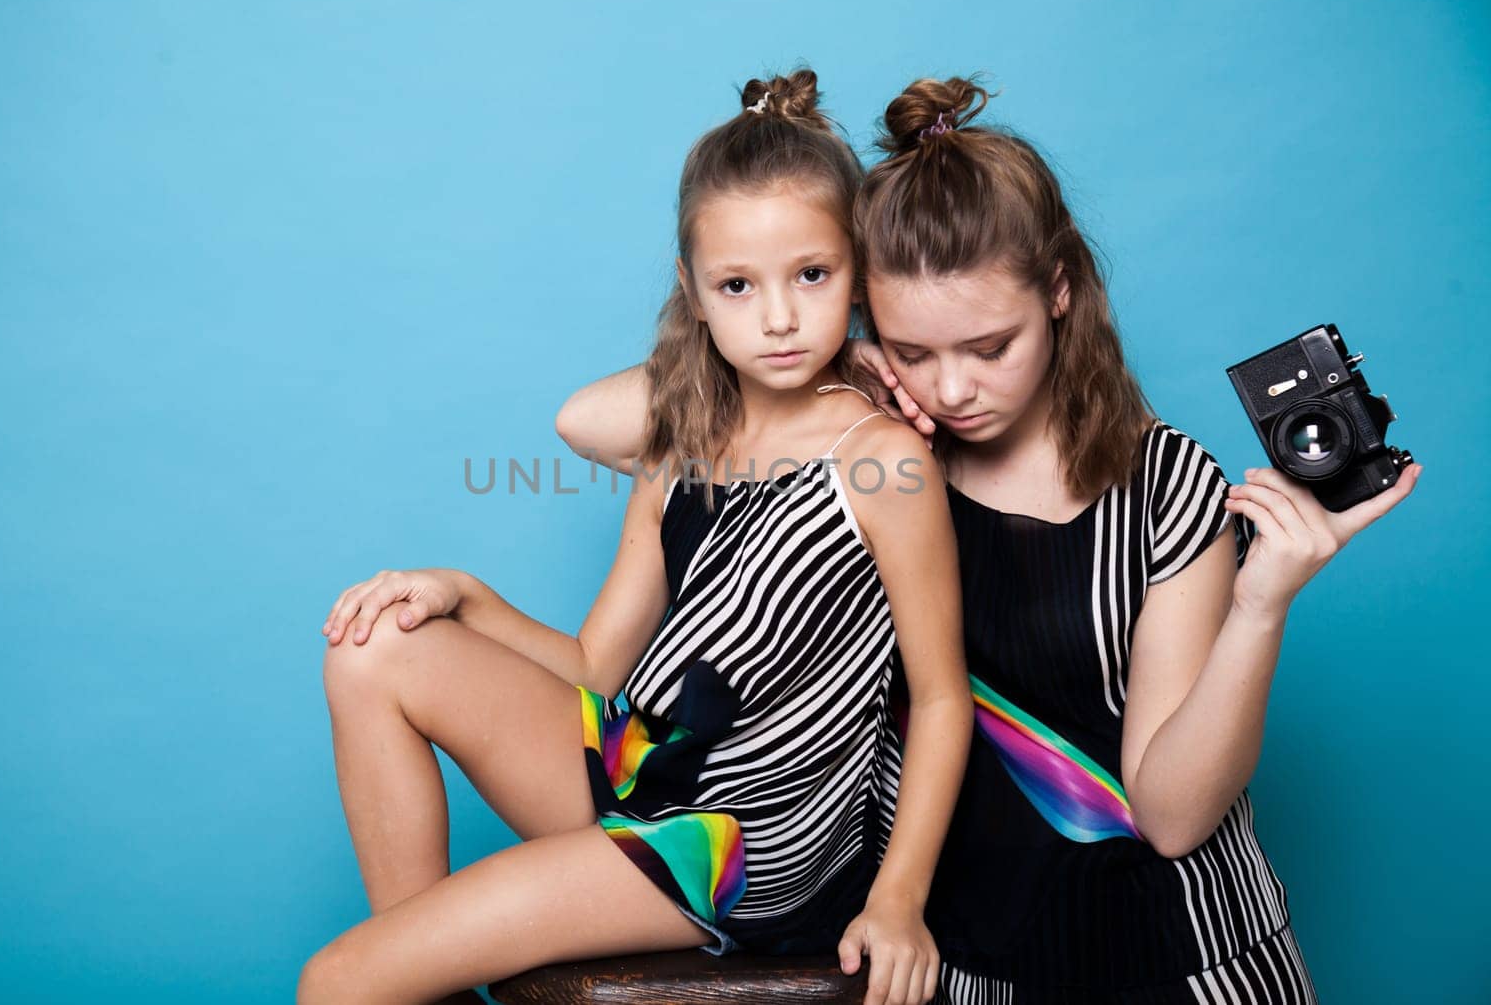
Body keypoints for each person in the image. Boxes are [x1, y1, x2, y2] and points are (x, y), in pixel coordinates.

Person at [555, 74, 1420, 1004]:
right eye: (916, 350)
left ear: (1057, 289)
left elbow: (1169, 817)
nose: (955, 388)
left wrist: (1259, 607)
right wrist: (829, 364)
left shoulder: (1166, 489)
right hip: (964, 969)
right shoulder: (878, 464)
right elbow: (593, 423)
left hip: (1184, 962)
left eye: (988, 346)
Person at [300, 70, 970, 1005]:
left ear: (857, 273)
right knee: (372, 650)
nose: (779, 318)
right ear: (693, 295)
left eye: (811, 276)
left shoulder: (883, 459)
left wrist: (898, 900)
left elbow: (942, 698)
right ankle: (423, 973)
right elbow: (591, 668)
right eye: (738, 285)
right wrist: (465, 595)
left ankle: (404, 970)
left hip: (743, 838)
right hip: (643, 764)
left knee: (338, 980)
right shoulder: (682, 446)